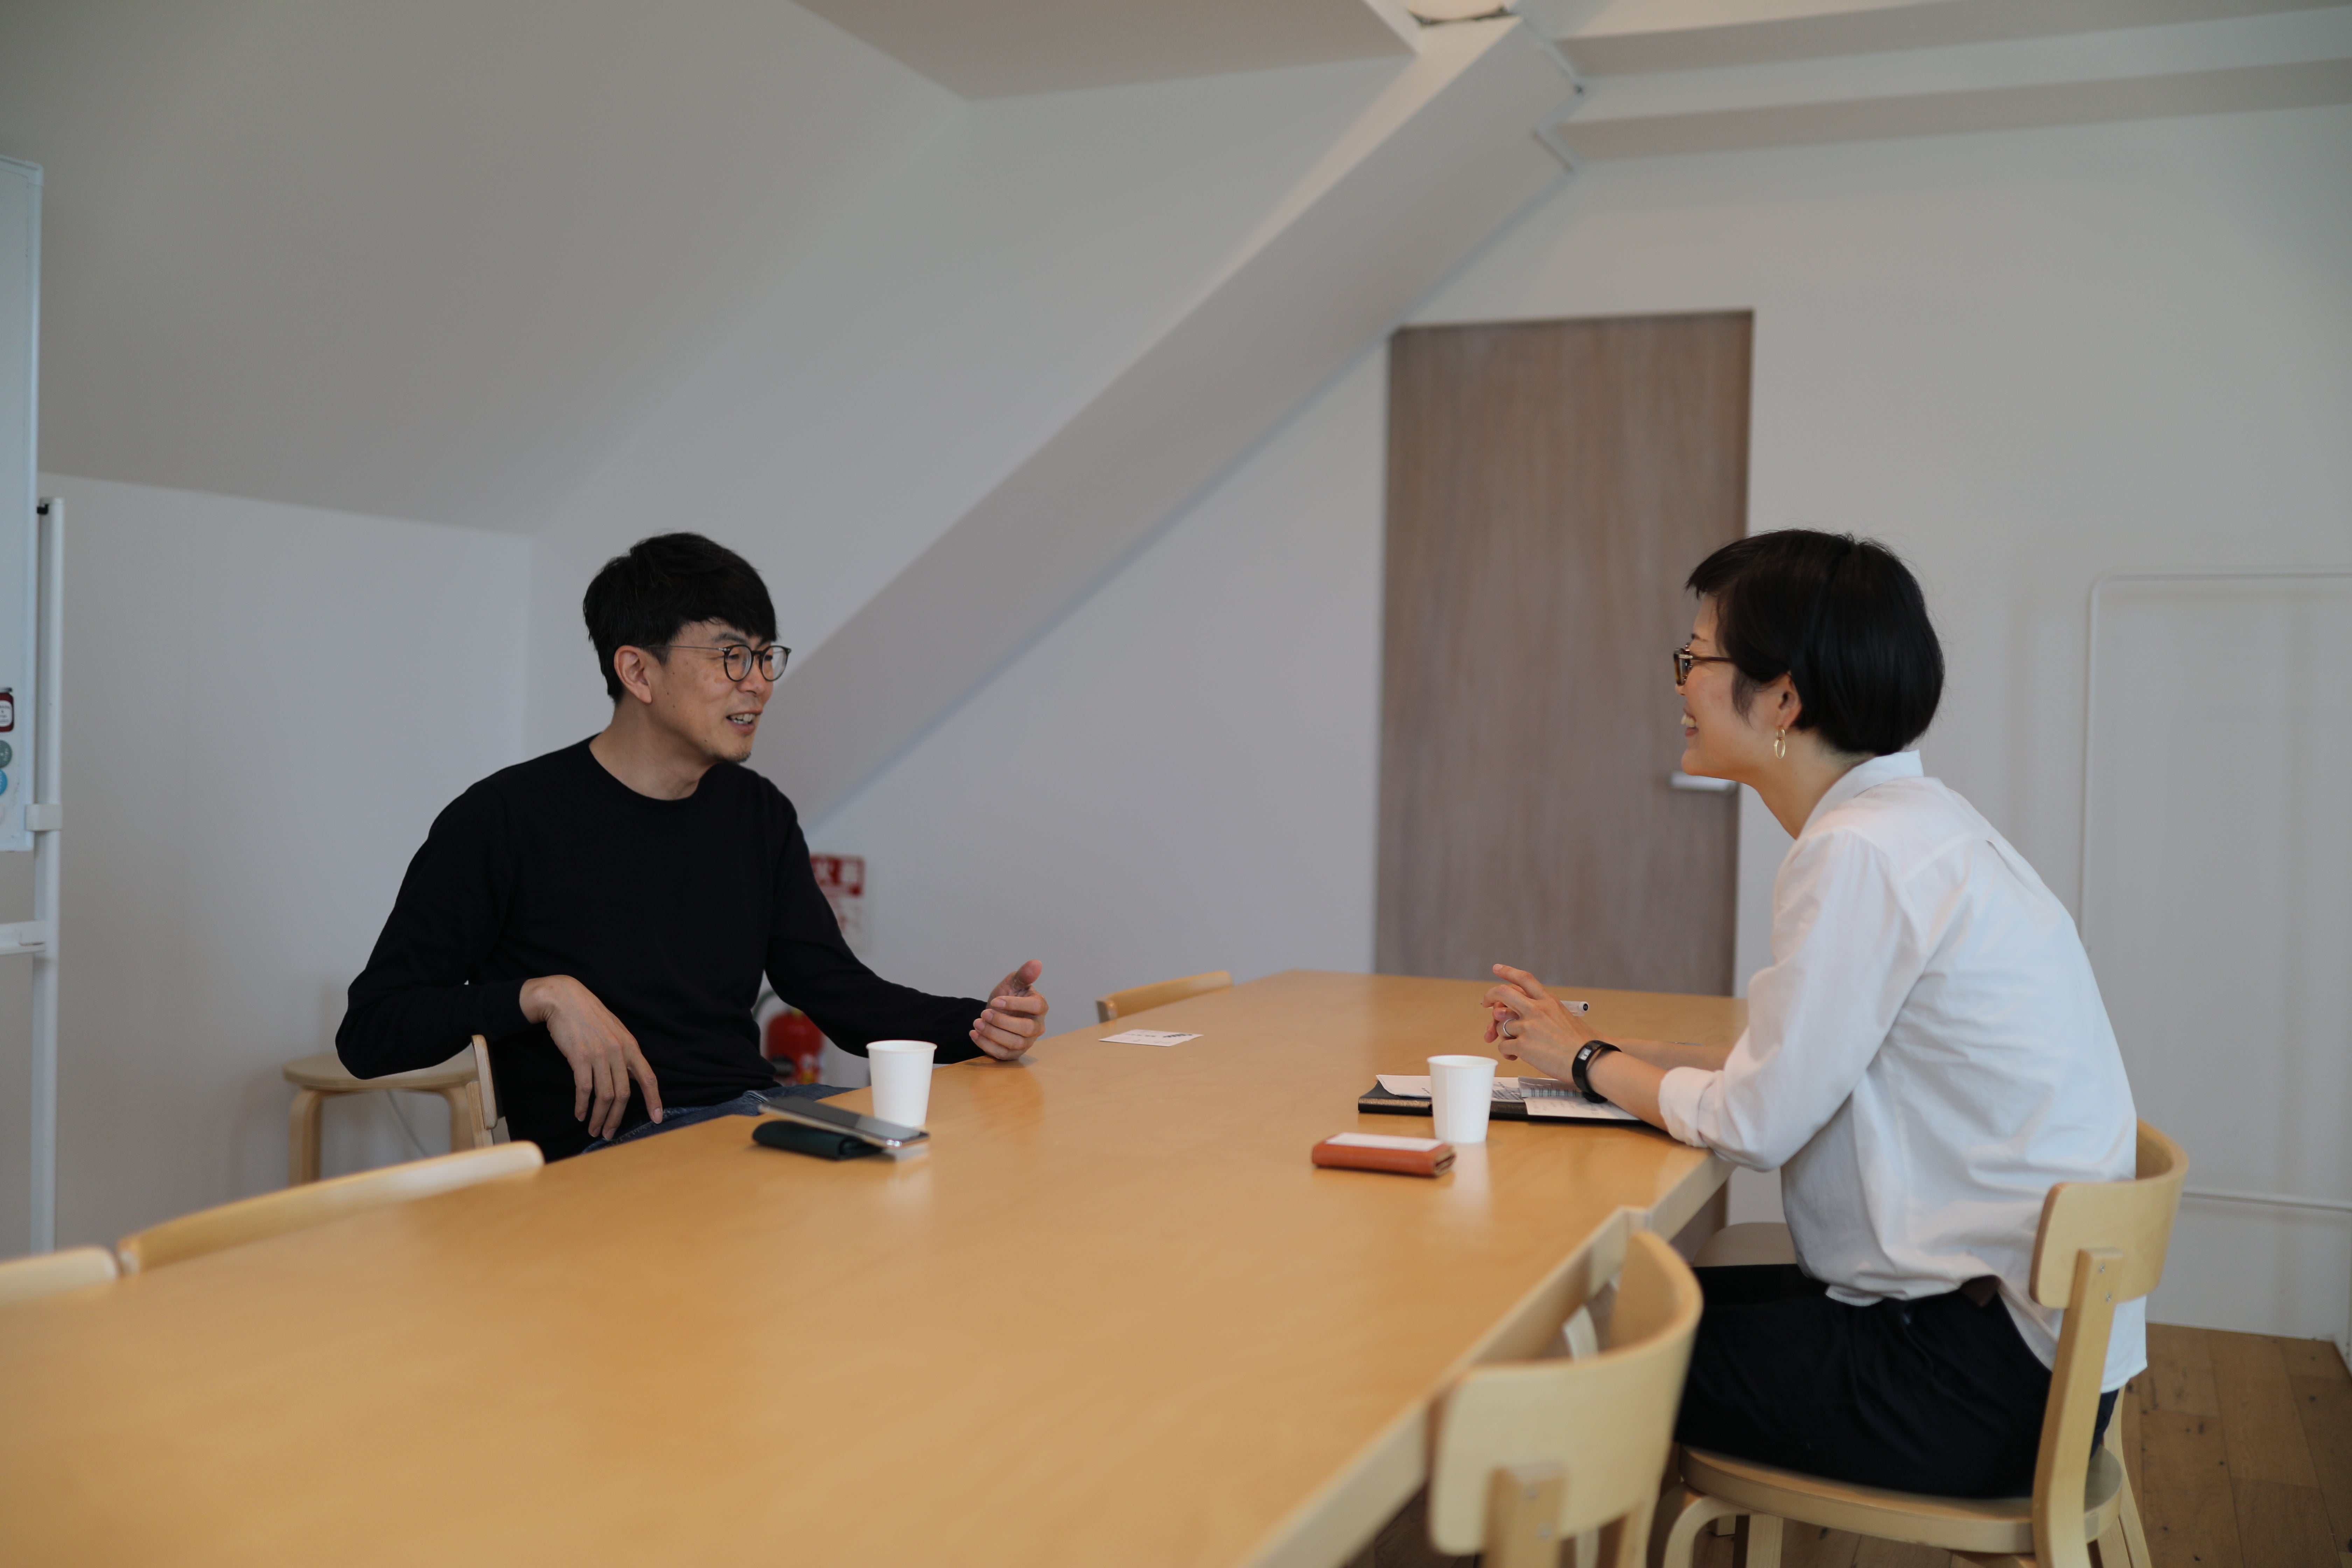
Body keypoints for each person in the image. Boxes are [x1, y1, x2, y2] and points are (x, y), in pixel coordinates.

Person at [1481, 529, 2140, 1499]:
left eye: (1696, 660)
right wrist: (1604, 1048)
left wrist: (1585, 1063)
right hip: (2033, 1357)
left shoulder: (1857, 853)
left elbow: (1756, 1121)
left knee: (1562, 1343)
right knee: (1606, 1309)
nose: (1680, 687)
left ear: (1783, 699)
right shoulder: (1925, 826)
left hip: (1968, 1382)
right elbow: (1796, 1060)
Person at [338, 532, 1049, 1161]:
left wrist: (979, 1024)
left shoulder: (758, 812)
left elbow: (838, 993)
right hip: (614, 1157)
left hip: (753, 1119)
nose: (759, 684)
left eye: (766, 657)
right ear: (638, 672)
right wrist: (540, 995)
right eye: (731, 657)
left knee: (959, 1165)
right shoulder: (502, 818)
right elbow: (371, 1032)